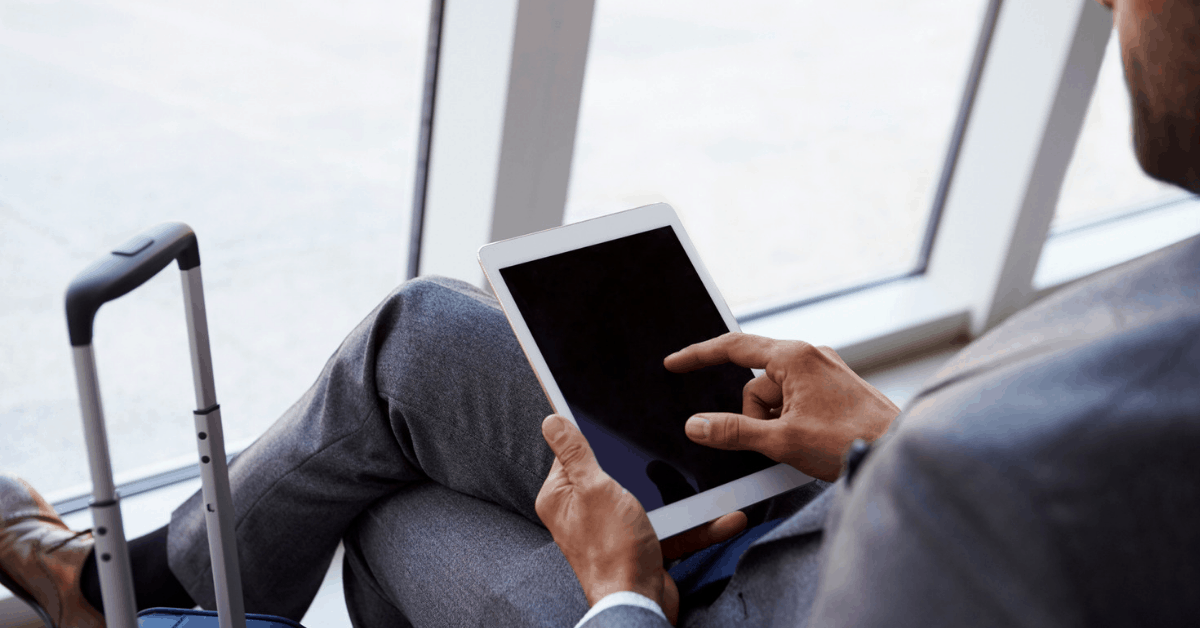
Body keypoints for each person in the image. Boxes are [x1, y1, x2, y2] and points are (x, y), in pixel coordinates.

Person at [3, 0, 1199, 625]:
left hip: (726, 607)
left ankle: (121, 598)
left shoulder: (1016, 480)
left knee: (389, 522)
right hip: (814, 535)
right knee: (416, 340)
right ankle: (135, 587)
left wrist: (623, 592)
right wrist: (873, 442)